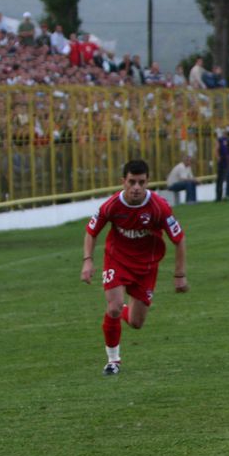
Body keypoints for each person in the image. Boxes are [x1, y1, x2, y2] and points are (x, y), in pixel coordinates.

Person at [80, 159, 187, 376]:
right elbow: (91, 232)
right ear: (124, 182)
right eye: (132, 182)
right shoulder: (112, 205)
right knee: (113, 307)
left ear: (148, 182)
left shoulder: (159, 207)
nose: (136, 187)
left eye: (141, 182)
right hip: (117, 260)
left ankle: (122, 309)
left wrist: (179, 274)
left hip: (146, 267)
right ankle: (113, 360)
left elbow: (179, 240)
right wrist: (88, 260)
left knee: (136, 323)